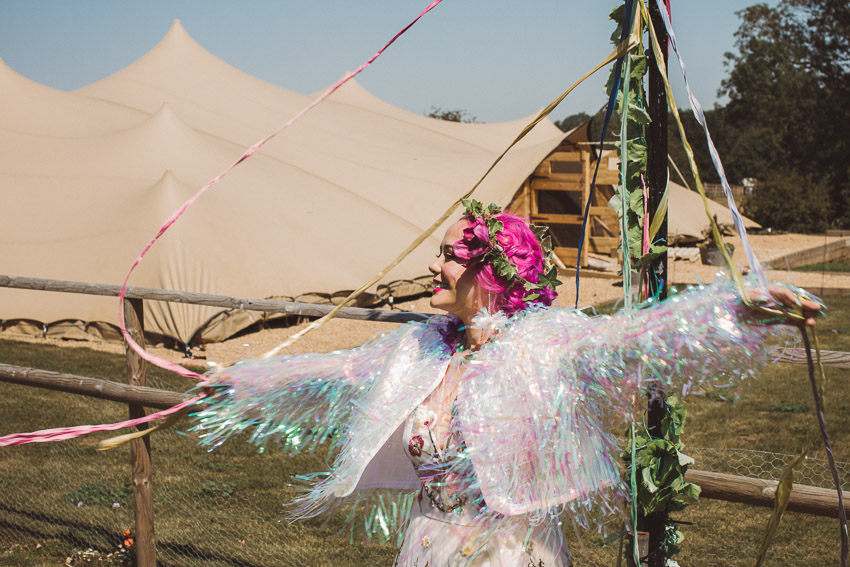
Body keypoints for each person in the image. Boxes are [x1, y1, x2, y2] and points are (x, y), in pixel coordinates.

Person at [193, 201, 821, 567]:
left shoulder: (542, 344)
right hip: (427, 547)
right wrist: (236, 382)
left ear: (492, 272)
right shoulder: (420, 347)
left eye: (448, 253)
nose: (433, 265)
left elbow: (633, 336)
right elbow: (334, 373)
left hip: (512, 555)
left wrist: (736, 307)